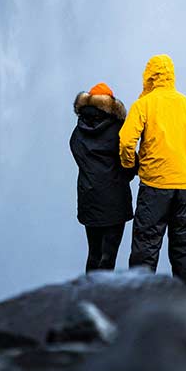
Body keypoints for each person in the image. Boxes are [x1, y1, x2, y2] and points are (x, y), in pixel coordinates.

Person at [119, 54, 186, 295]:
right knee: (184, 248)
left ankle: (139, 306)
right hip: (184, 187)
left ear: (148, 77)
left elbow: (126, 141)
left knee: (146, 248)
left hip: (154, 186)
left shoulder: (144, 105)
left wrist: (133, 165)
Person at [70, 82, 137, 272]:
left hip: (88, 198)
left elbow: (78, 157)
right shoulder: (119, 130)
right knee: (109, 255)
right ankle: (104, 298)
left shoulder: (78, 131)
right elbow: (131, 162)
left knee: (93, 253)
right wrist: (124, 177)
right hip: (115, 200)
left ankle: (91, 296)